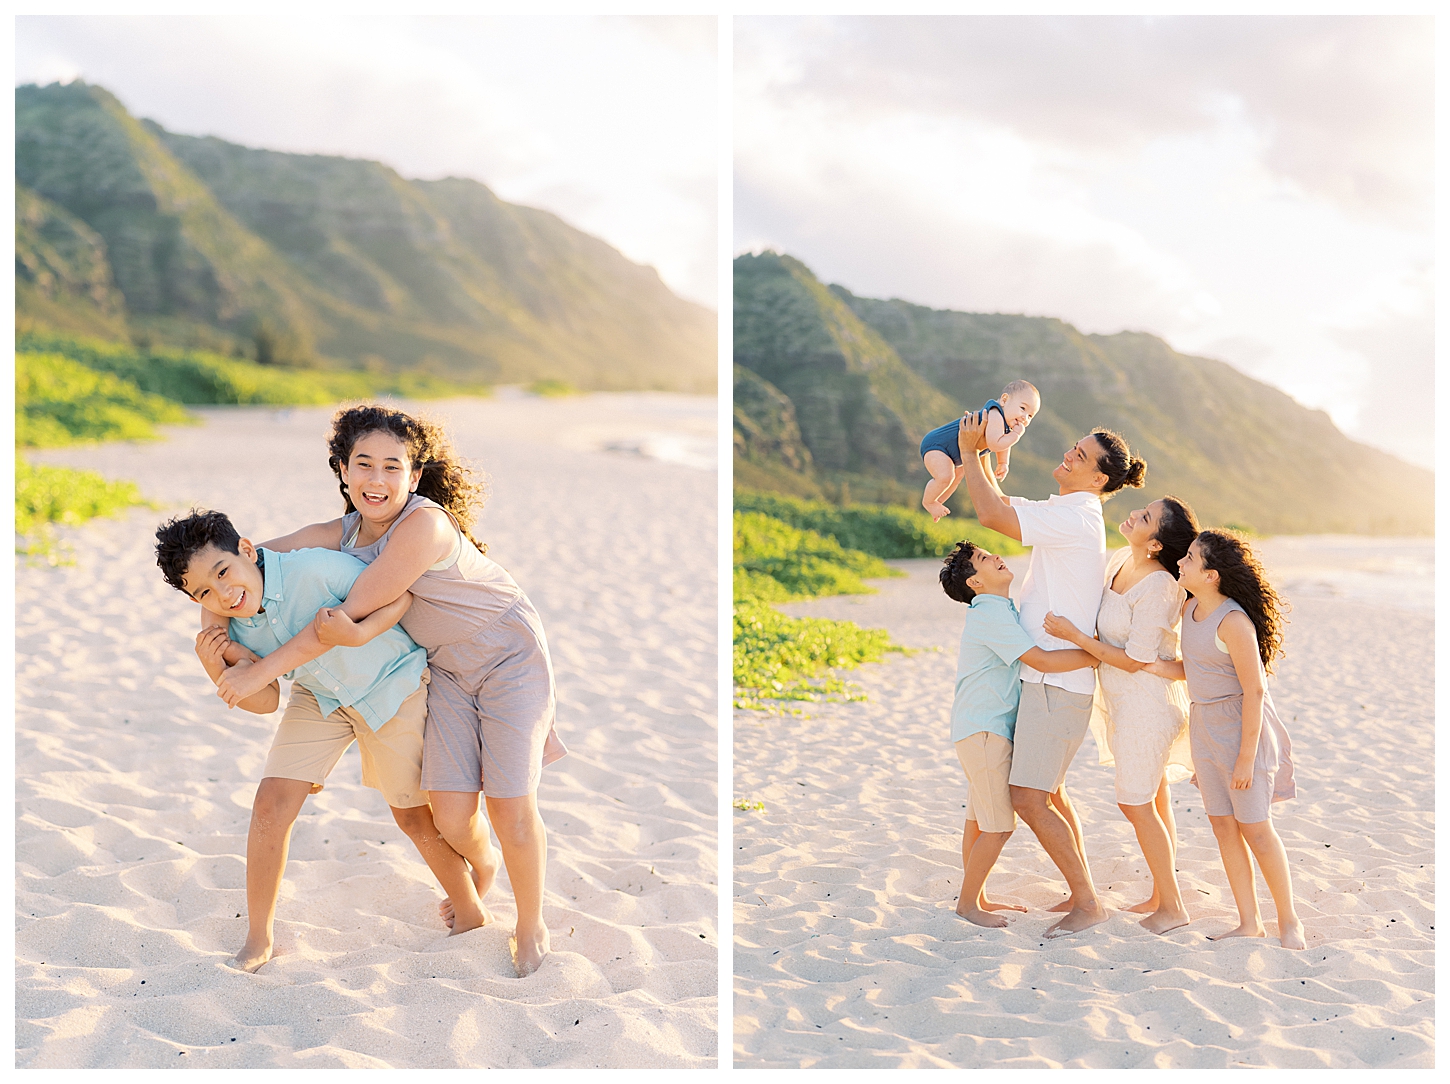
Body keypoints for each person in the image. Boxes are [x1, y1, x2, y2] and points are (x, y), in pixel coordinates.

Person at [208, 405, 567, 977]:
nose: (376, 480)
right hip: (443, 667)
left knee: (508, 801)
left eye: (392, 467)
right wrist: (210, 616)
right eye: (363, 465)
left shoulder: (424, 525)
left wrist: (256, 670)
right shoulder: (341, 532)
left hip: (506, 656)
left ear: (414, 476)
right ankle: (485, 865)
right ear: (343, 472)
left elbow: (345, 617)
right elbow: (243, 563)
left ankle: (530, 923)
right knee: (450, 812)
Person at [156, 509, 484, 973]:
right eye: (204, 591)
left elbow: (398, 595)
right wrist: (217, 668)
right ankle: (258, 938)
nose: (224, 594)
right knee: (270, 804)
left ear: (247, 550)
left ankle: (471, 910)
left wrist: (361, 630)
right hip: (321, 697)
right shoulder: (226, 625)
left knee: (411, 815)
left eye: (224, 572)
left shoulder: (313, 569)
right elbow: (265, 701)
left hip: (391, 684)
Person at [954, 408, 1146, 938]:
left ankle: (1088, 902)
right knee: (1051, 793)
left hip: (1056, 684)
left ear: (1099, 478)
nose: (1069, 454)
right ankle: (1078, 891)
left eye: (1080, 455)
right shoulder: (1068, 509)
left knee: (1029, 798)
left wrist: (970, 452)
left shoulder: (1078, 515)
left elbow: (992, 518)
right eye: (1074, 447)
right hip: (1050, 682)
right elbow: (1000, 503)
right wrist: (991, 455)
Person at [1043, 496, 1198, 934]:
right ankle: (1159, 893)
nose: (1133, 514)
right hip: (1122, 702)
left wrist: (1074, 637)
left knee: (1134, 803)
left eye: (1145, 518)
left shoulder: (1161, 586)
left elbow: (1135, 659)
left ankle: (1173, 907)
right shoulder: (1117, 563)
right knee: (1153, 797)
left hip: (1148, 706)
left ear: (1155, 544)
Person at [1147, 530, 1304, 949]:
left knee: (1256, 829)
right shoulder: (1192, 609)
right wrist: (1161, 668)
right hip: (1205, 726)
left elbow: (1254, 691)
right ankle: (1249, 921)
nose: (1182, 561)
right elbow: (1200, 667)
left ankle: (1290, 923)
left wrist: (1245, 759)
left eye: (1191, 558)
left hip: (1241, 730)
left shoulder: (1233, 620)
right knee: (1222, 826)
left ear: (1212, 574)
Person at [939, 540, 1098, 928]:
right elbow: (1040, 660)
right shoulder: (990, 615)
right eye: (983, 559)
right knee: (998, 826)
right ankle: (967, 905)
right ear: (975, 582)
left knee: (978, 818)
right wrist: (1093, 653)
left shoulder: (996, 609)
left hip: (978, 727)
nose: (995, 557)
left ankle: (977, 896)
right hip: (986, 731)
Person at [919, 380, 1040, 521]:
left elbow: (1003, 442)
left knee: (957, 475)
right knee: (946, 476)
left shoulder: (1005, 422)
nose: (1025, 417)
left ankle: (938, 502)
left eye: (1030, 416)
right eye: (1023, 408)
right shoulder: (995, 414)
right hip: (937, 445)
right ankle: (929, 502)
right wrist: (1016, 435)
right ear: (1005, 400)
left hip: (952, 454)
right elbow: (995, 444)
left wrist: (1003, 462)